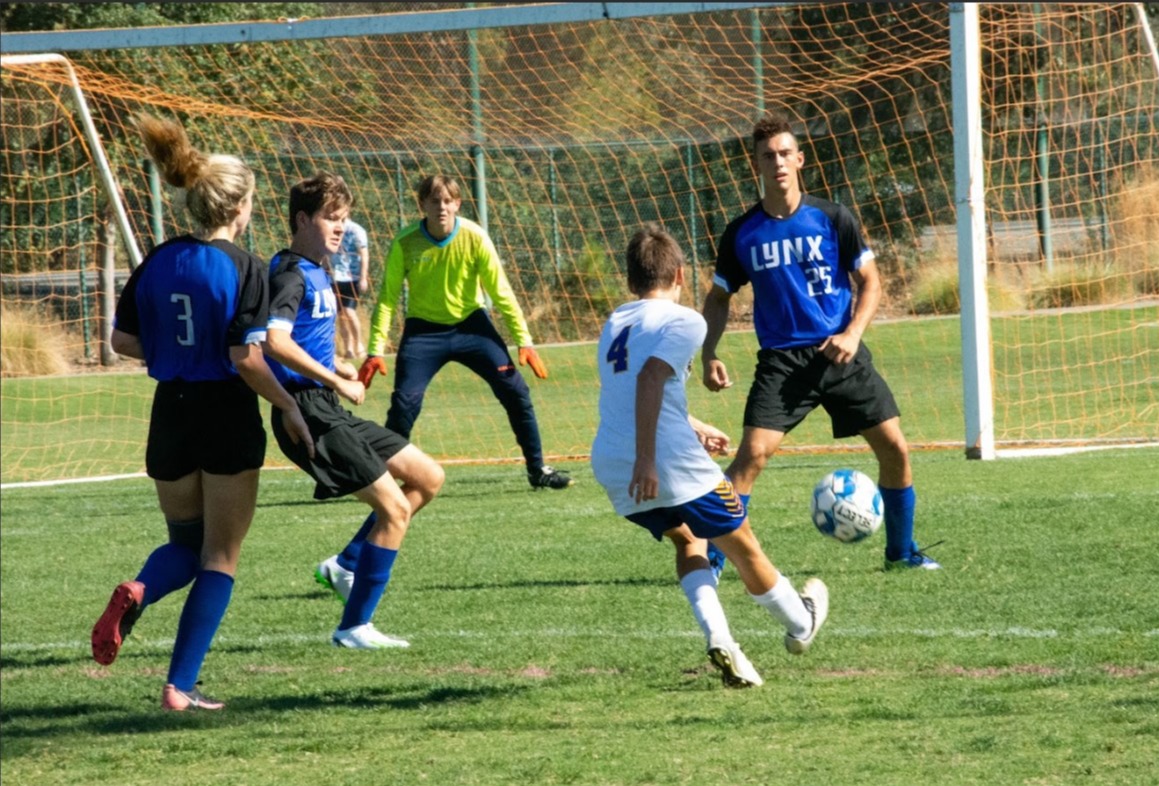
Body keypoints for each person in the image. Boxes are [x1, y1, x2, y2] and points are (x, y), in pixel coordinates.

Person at [90, 115, 314, 712]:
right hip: (224, 412)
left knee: (185, 546)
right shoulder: (248, 267)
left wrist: (175, 351)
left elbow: (124, 342)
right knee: (220, 557)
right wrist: (289, 404)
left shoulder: (159, 259)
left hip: (170, 413)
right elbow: (245, 357)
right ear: (238, 207)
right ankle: (179, 687)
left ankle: (140, 588)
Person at [311, 175, 572, 601]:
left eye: (449, 201)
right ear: (423, 206)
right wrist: (375, 349)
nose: (443, 208)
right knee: (405, 405)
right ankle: (369, 475)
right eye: (435, 201)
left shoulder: (474, 236)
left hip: (472, 326)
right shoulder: (406, 241)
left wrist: (522, 339)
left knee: (516, 391)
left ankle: (537, 470)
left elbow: (499, 289)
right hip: (424, 332)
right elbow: (390, 297)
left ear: (458, 204)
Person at [590, 224, 829, 688]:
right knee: (744, 548)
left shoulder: (616, 321)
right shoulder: (687, 321)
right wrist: (649, 458)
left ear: (630, 279)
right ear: (681, 274)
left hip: (612, 462)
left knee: (688, 541)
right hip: (662, 464)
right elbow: (650, 380)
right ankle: (802, 624)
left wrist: (693, 427)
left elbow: (633, 385)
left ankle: (723, 640)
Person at [701, 112, 940, 571]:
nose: (778, 163)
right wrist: (709, 351)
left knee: (895, 449)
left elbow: (870, 280)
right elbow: (717, 297)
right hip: (783, 364)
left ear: (800, 159)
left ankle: (902, 553)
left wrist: (852, 334)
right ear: (757, 165)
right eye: (768, 156)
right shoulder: (742, 233)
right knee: (750, 458)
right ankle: (713, 560)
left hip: (841, 353)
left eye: (786, 153)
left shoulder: (832, 217)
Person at [263, 171, 445, 649]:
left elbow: (303, 343)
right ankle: (353, 627)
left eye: (344, 218)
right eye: (330, 217)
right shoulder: (288, 273)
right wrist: (334, 382)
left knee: (427, 478)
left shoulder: (321, 271)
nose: (341, 227)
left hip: (326, 404)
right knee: (394, 510)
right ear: (302, 220)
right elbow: (275, 344)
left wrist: (339, 364)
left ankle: (345, 564)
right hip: (307, 412)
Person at [331, 216, 370, 360]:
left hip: (351, 278)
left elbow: (364, 255)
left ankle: (358, 344)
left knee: (349, 312)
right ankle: (348, 348)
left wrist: (363, 277)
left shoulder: (356, 230)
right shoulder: (331, 228)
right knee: (341, 315)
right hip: (334, 277)